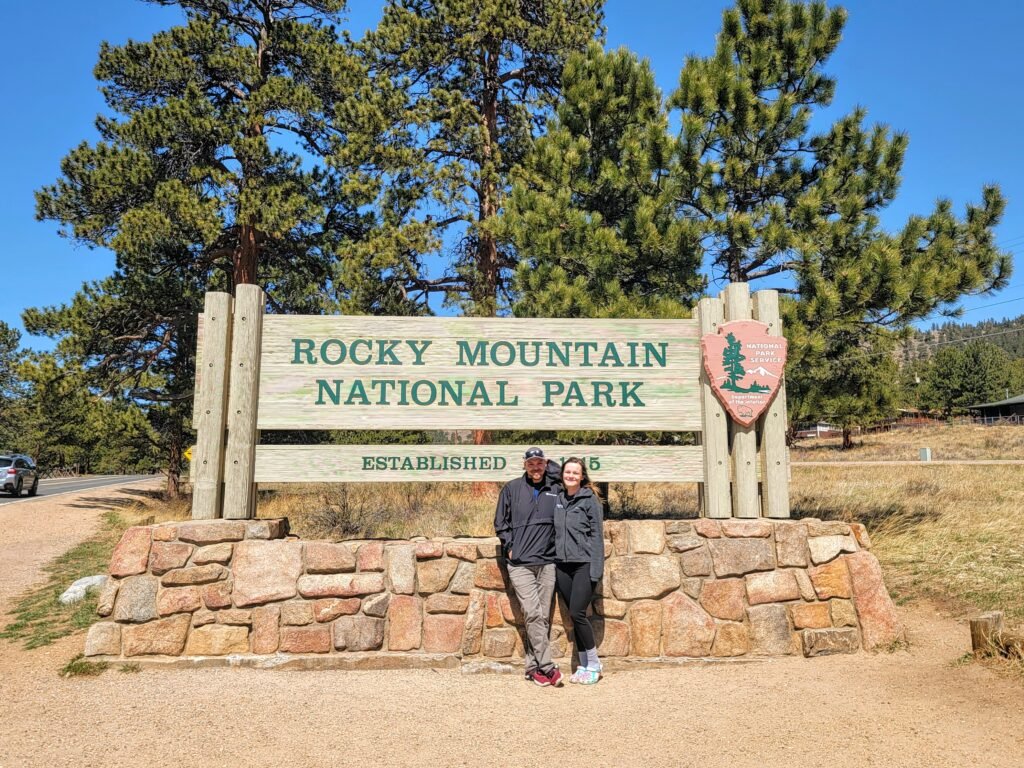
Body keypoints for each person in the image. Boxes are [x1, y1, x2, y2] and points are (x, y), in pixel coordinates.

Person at [494, 447, 563, 687]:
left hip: (547, 562)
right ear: (524, 465)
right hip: (520, 564)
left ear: (546, 464)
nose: (536, 467)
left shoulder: (556, 488)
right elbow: (500, 522)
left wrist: (550, 465)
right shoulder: (512, 488)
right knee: (532, 613)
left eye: (540, 463)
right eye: (531, 463)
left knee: (542, 617)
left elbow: (574, 477)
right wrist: (510, 546)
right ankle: (547, 665)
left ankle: (532, 668)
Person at [553, 456, 605, 684]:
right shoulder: (559, 498)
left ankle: (594, 663)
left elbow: (597, 537)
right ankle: (583, 666)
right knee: (575, 616)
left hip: (584, 565)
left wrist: (596, 570)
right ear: (562, 475)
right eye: (567, 472)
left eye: (575, 472)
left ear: (582, 476)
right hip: (562, 566)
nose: (571, 476)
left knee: (577, 613)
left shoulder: (589, 500)